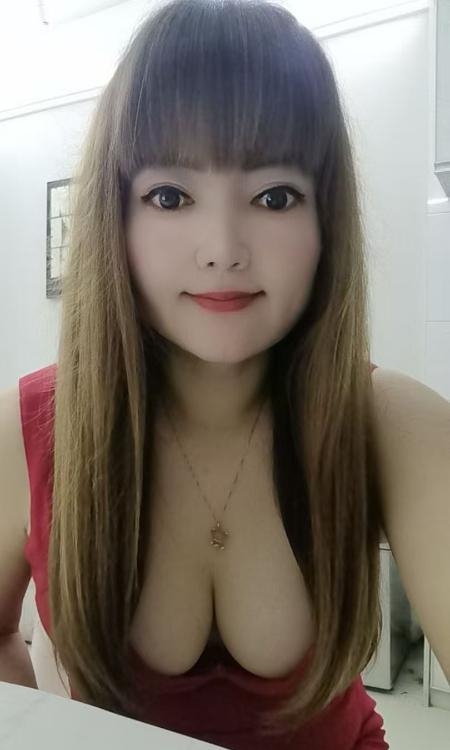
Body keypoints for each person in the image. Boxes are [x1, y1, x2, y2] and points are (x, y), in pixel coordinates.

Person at [14, 0, 389, 747]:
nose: (222, 247)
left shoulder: (383, 421)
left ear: (326, 222)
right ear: (116, 220)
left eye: (274, 196)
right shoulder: (26, 427)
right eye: (170, 196)